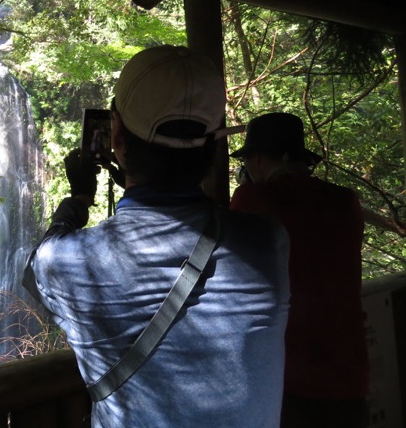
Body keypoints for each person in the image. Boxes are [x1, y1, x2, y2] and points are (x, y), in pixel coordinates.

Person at [23, 45, 290, 427]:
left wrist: (79, 198)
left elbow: (35, 269)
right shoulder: (267, 241)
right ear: (215, 146)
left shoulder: (66, 262)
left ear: (115, 134)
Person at [230, 112, 370, 428]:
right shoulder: (346, 201)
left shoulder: (253, 198)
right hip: (348, 374)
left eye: (250, 159)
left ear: (263, 158)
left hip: (287, 379)